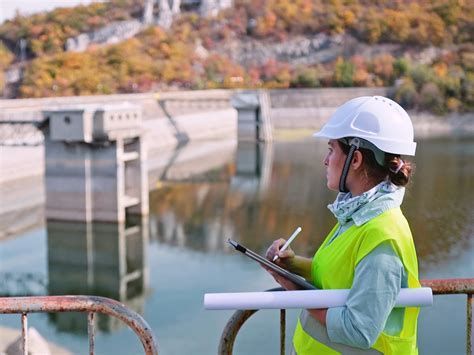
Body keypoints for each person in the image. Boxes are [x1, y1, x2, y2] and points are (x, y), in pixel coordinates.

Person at [265, 96, 420, 354]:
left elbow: (359, 330)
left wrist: (297, 292)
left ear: (355, 159)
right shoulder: (358, 214)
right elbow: (340, 275)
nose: (326, 160)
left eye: (331, 150)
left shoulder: (383, 235)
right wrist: (291, 264)